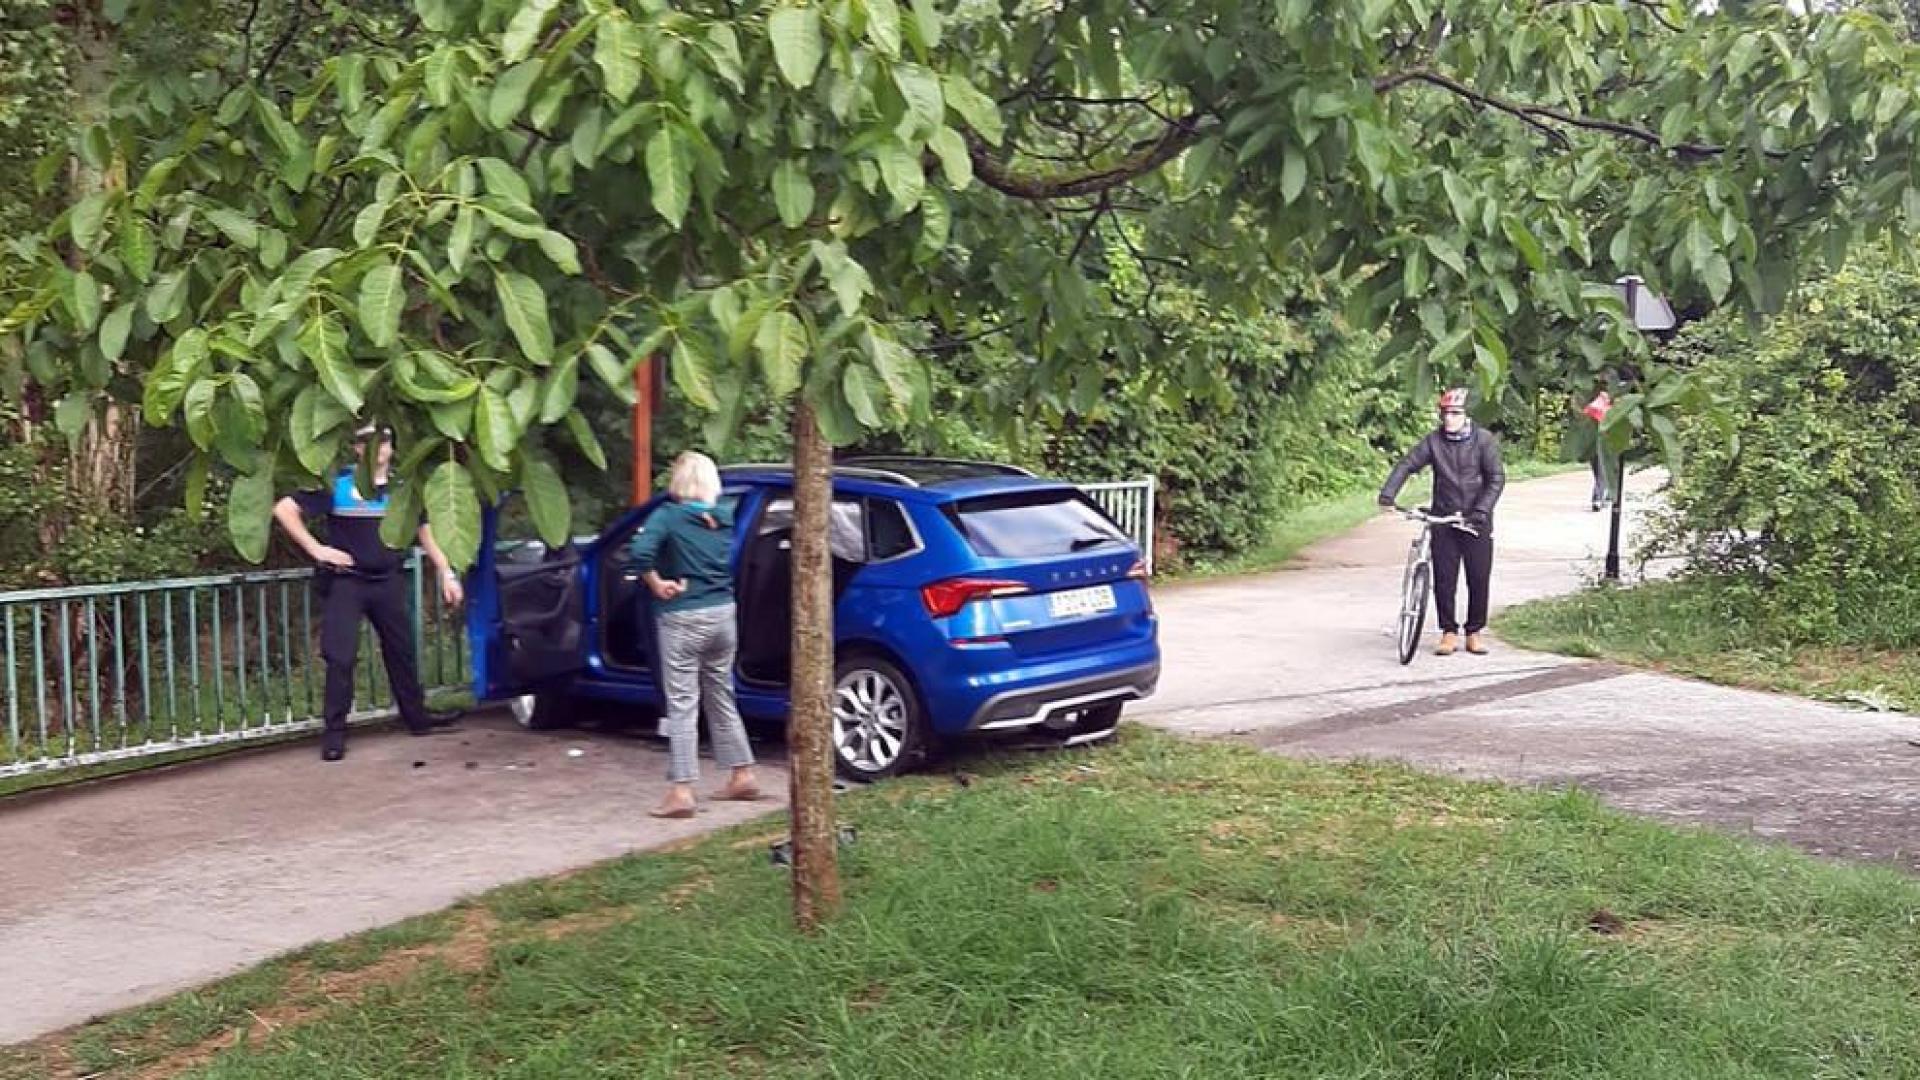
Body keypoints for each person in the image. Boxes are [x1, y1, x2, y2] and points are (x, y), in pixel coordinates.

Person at [273, 425, 464, 761]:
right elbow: (284, 509)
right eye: (367, 441)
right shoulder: (337, 483)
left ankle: (417, 719)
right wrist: (317, 549)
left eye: (384, 440)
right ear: (357, 448)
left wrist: (447, 573)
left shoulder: (403, 488)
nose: (377, 448)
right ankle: (334, 735)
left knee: (402, 652)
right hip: (347, 581)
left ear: (391, 446)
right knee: (340, 657)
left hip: (388, 580)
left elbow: (425, 531)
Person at [627, 451, 761, 818]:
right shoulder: (724, 517)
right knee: (721, 693)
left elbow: (638, 552)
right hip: (723, 614)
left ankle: (682, 790)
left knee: (683, 702)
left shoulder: (668, 516)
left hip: (682, 616)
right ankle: (742, 773)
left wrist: (655, 582)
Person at [1378, 388, 1507, 656]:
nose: (1450, 419)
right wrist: (1388, 494)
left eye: (1456, 413)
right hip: (1443, 517)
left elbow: (1496, 479)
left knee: (1478, 577)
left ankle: (1474, 632)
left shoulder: (1483, 441)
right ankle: (1448, 632)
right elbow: (1407, 464)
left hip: (1475, 520)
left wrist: (1481, 511)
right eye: (1446, 413)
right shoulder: (1434, 442)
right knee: (1445, 579)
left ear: (1466, 415)